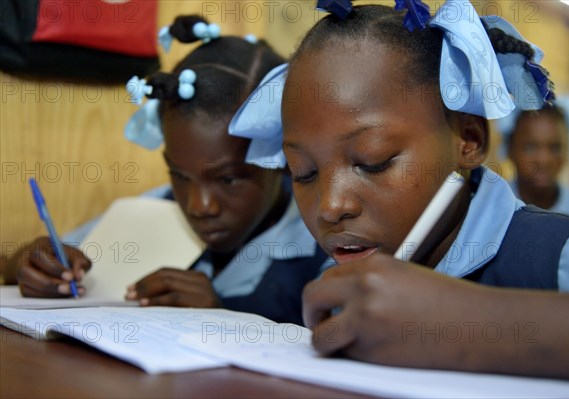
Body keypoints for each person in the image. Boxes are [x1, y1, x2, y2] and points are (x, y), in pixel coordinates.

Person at [229, 1, 569, 382]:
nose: (331, 206)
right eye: (303, 173)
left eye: (374, 161)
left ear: (469, 140)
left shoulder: (568, 255)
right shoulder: (334, 277)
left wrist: (457, 325)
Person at [1, 16, 330, 326]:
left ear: (283, 158)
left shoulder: (327, 241)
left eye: (229, 179)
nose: (198, 207)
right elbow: (25, 260)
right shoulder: (155, 208)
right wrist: (29, 263)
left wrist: (221, 315)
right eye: (180, 176)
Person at [497, 97, 569, 221]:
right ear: (510, 149)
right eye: (530, 147)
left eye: (555, 148)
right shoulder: (489, 210)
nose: (544, 160)